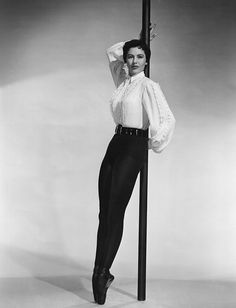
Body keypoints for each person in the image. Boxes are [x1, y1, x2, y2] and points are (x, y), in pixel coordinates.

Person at [92, 33, 176, 305]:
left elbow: (167, 120)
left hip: (133, 146)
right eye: (131, 56)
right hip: (115, 143)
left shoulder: (148, 86)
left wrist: (148, 144)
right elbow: (111, 51)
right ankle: (100, 271)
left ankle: (102, 273)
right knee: (104, 213)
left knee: (115, 212)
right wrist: (138, 39)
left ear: (147, 61)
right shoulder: (123, 82)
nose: (135, 60)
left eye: (141, 56)